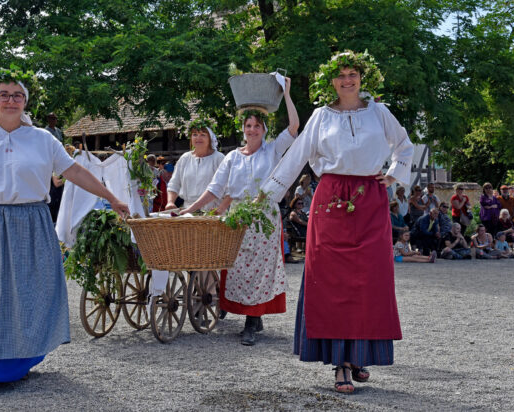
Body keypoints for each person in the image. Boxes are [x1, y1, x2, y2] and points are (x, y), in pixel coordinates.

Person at [0, 70, 130, 392]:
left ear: (26, 101)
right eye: (4, 94)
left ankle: (18, 362)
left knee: (28, 294)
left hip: (30, 221)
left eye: (17, 95)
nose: (11, 100)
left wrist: (112, 197)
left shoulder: (42, 139)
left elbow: (75, 170)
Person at [260, 51, 413, 393]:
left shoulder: (379, 111)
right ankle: (340, 364)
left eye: (353, 74)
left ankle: (358, 357)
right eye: (341, 75)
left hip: (370, 200)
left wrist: (392, 176)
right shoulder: (320, 116)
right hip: (331, 200)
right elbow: (297, 155)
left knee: (368, 282)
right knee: (332, 282)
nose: (347, 80)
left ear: (362, 77)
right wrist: (267, 194)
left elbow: (404, 146)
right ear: (331, 80)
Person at [182, 76, 299, 347]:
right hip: (236, 218)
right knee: (235, 269)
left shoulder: (272, 151)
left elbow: (294, 126)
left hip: (262, 219)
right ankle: (252, 317)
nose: (252, 129)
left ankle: (250, 322)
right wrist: (190, 209)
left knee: (258, 270)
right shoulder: (233, 157)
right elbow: (214, 189)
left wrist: (288, 92)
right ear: (243, 129)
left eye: (257, 125)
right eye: (248, 125)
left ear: (264, 129)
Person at [165, 120, 224, 210]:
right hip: (188, 211)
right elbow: (174, 184)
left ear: (210, 138)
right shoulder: (185, 158)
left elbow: (227, 187)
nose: (198, 138)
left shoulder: (219, 159)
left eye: (203, 135)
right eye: (195, 134)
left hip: (212, 210)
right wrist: (170, 202)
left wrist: (221, 208)